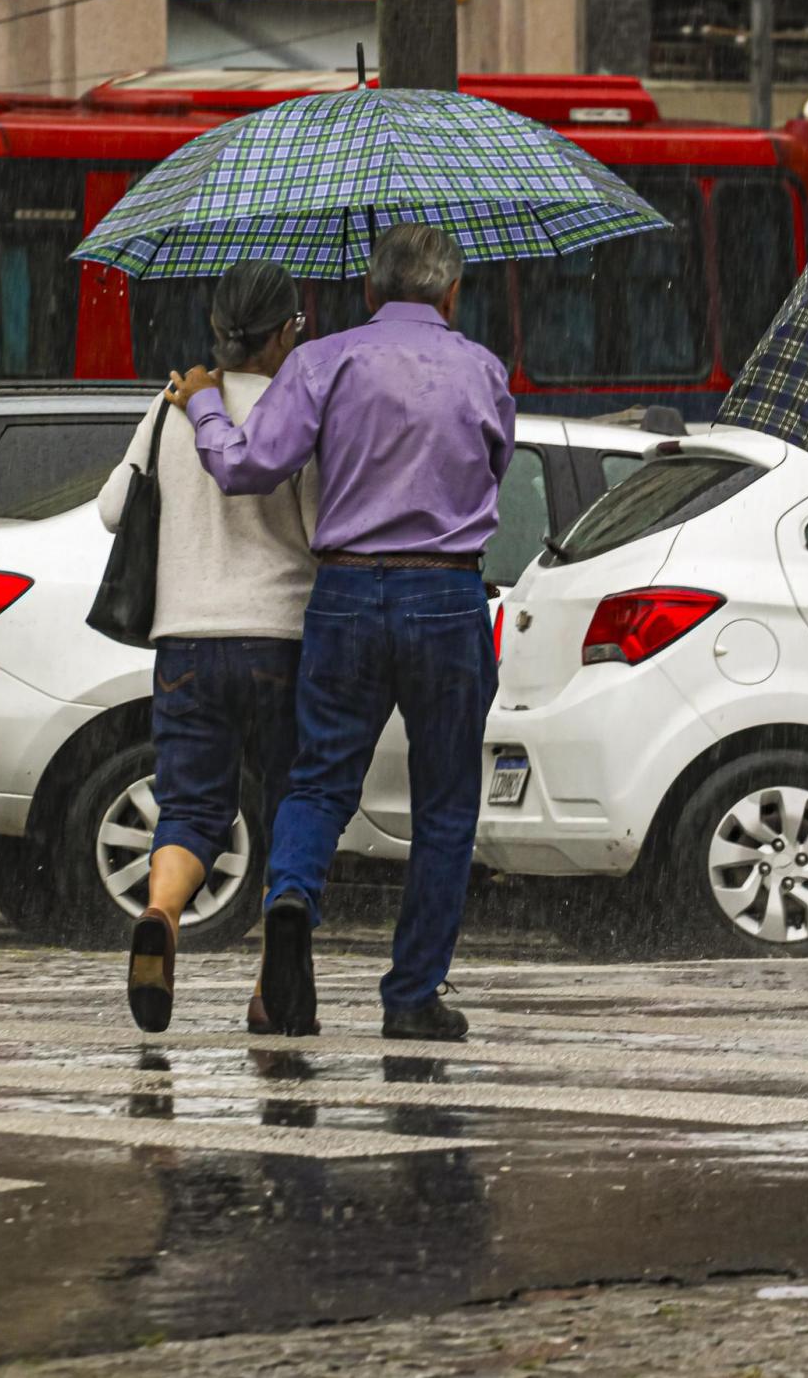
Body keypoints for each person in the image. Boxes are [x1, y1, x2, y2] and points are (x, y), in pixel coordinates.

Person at [168, 223, 514, 1043]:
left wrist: (205, 404)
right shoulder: (485, 368)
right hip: (446, 595)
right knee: (443, 808)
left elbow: (248, 466)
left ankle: (291, 892)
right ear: (452, 294)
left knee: (319, 783)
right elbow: (494, 466)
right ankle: (412, 995)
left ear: (367, 291)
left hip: (347, 592)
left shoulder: (323, 360)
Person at [99, 260, 316, 1035]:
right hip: (281, 640)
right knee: (294, 797)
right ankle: (272, 982)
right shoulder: (300, 409)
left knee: (193, 806)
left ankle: (161, 913)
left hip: (185, 639)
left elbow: (112, 508)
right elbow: (324, 529)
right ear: (286, 330)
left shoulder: (172, 406)